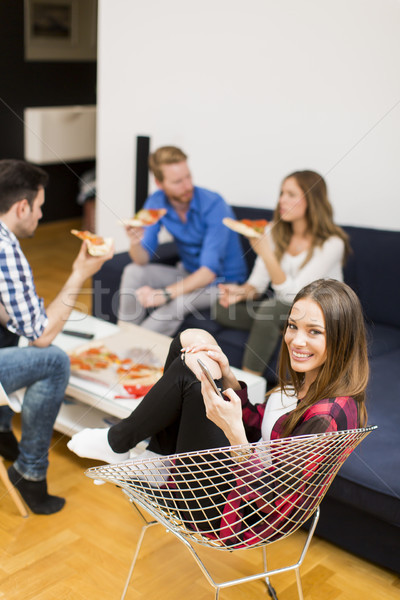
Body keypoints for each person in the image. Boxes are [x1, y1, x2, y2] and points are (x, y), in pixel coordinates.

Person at [68, 278, 368, 471]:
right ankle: (154, 454)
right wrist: (228, 377)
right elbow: (261, 427)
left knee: (192, 369)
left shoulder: (328, 415)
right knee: (192, 338)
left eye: (314, 332)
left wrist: (235, 434)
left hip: (227, 508)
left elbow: (274, 498)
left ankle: (120, 442)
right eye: (293, 326)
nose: (296, 341)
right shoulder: (308, 382)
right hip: (234, 474)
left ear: (342, 338)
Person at [0, 159, 114, 514]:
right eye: (39, 208)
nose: (39, 215)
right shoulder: (6, 248)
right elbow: (42, 337)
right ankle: (30, 473)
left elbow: (12, 316)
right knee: (52, 360)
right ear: (22, 207)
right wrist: (79, 273)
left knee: (9, 330)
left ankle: (3, 430)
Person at [215, 170, 350, 376]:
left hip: (319, 312)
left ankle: (248, 384)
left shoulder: (332, 243)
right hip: (283, 308)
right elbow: (257, 285)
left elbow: (295, 297)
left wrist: (267, 254)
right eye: (281, 193)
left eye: (291, 194)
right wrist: (239, 292)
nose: (282, 200)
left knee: (270, 310)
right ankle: (283, 326)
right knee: (222, 308)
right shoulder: (272, 231)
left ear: (312, 200)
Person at [118, 146, 247, 335]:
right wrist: (135, 241)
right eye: (177, 181)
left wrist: (164, 294)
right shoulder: (156, 202)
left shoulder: (214, 204)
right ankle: (124, 333)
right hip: (187, 273)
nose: (187, 186)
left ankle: (133, 348)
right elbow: (141, 260)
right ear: (160, 183)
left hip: (222, 283)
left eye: (188, 177)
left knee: (178, 302)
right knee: (133, 271)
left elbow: (208, 273)